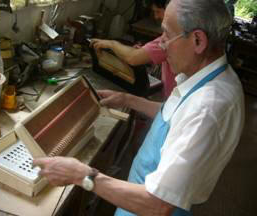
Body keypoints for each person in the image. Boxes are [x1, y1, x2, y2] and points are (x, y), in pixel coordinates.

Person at [33, 0, 245, 215]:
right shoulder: (211, 78)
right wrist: (127, 100)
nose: (161, 44)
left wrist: (82, 175)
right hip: (139, 197)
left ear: (198, 40)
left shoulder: (207, 108)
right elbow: (174, 117)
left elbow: (158, 204)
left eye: (167, 35)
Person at [91, 0, 176, 100]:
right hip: (170, 95)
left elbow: (133, 58)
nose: (156, 17)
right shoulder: (173, 35)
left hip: (171, 99)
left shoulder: (170, 39)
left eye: (158, 11)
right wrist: (144, 53)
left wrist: (111, 44)